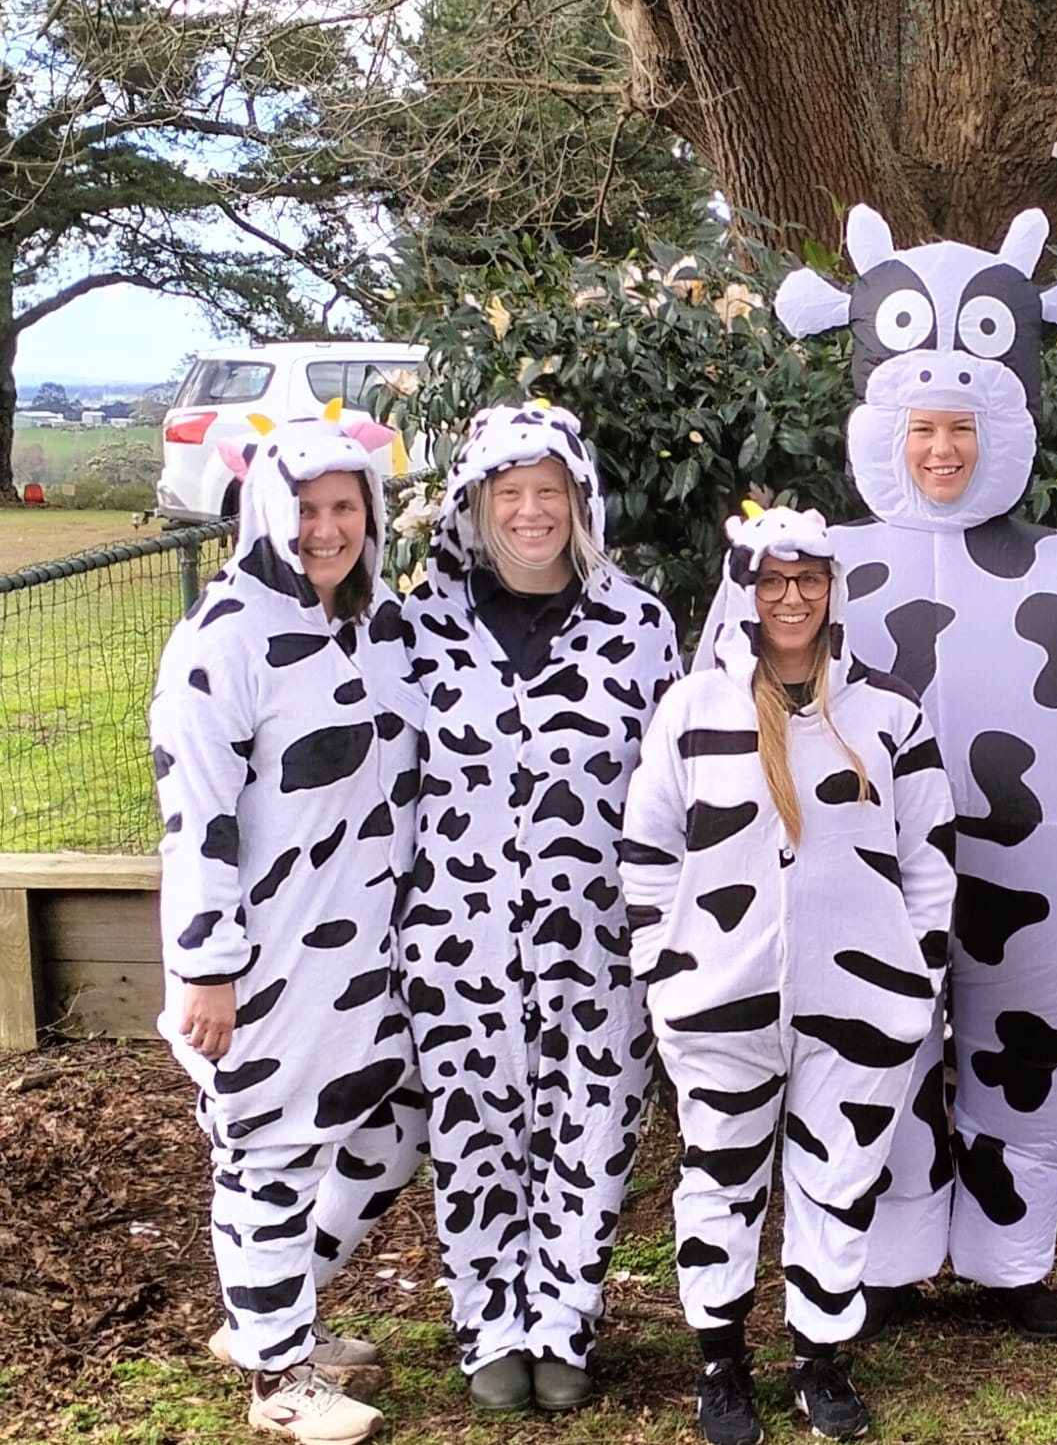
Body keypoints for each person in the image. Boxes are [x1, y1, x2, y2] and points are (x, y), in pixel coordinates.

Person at [742, 205, 1057, 1340]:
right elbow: (727, 717)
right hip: (867, 879)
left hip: (1053, 874)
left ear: (998, 430)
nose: (939, 451)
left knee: (1042, 1059)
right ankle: (886, 1262)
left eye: (958, 428)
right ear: (881, 431)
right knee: (874, 1051)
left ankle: (1010, 1263)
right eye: (919, 429)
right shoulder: (812, 569)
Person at [622, 503, 957, 1445]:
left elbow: (929, 857)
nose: (792, 597)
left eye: (809, 579)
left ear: (833, 588)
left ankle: (820, 1357)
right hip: (717, 1003)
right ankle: (720, 1361)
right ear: (745, 591)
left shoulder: (887, 713)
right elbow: (649, 850)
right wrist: (664, 966)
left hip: (862, 1004)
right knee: (719, 1177)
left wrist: (914, 978)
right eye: (773, 580)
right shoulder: (691, 712)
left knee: (839, 1178)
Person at [151, 412, 428, 1445]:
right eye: (306, 508)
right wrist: (208, 969)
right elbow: (197, 821)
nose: (325, 528)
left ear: (371, 513)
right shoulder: (221, 641)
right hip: (265, 956)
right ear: (267, 509)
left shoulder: (379, 624)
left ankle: (272, 1312)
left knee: (398, 1125)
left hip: (374, 951)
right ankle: (278, 1378)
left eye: (343, 507)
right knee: (268, 1156)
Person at [399, 402, 681, 1411]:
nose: (529, 513)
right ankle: (488, 1330)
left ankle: (563, 1320)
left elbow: (675, 788)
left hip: (599, 938)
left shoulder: (640, 626)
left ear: (579, 500)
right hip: (454, 938)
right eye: (507, 493)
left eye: (547, 492)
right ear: (473, 505)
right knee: (473, 1133)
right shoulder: (418, 628)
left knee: (591, 1126)